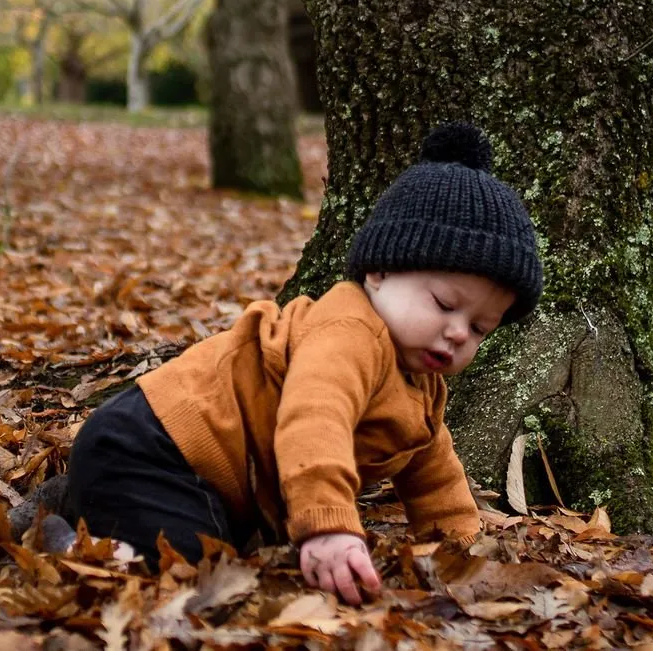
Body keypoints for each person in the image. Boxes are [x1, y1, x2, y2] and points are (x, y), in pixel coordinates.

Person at [60, 121, 544, 605]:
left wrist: (459, 551)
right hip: (156, 447)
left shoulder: (422, 385)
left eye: (481, 327)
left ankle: (78, 507)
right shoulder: (349, 331)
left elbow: (434, 473)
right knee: (185, 563)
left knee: (225, 546)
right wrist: (327, 525)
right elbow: (316, 419)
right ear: (379, 272)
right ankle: (70, 544)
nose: (459, 332)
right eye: (443, 304)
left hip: (201, 477)